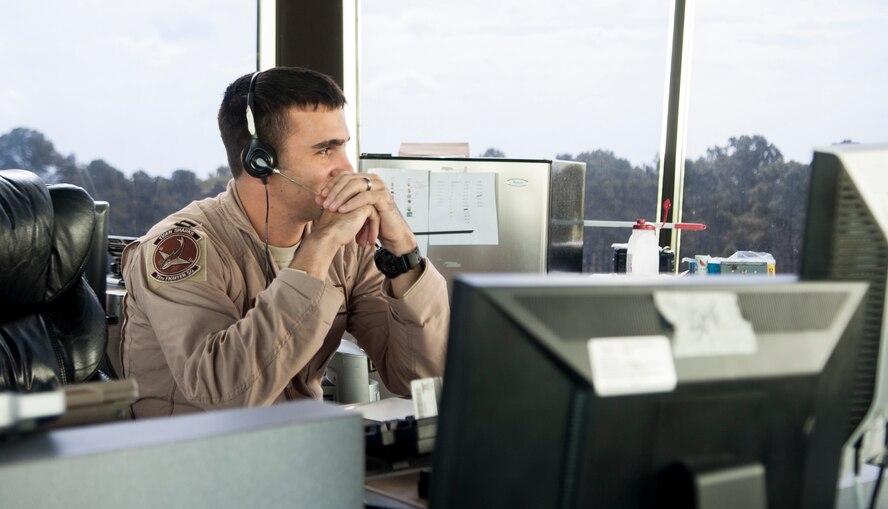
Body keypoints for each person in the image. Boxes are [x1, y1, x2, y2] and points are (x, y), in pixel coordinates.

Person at [119, 67, 449, 418]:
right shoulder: (178, 249)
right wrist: (318, 249)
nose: (347, 168)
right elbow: (225, 395)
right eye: (325, 151)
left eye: (343, 148)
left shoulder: (349, 245)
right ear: (260, 162)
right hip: (192, 460)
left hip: (298, 449)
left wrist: (403, 251)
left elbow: (420, 380)